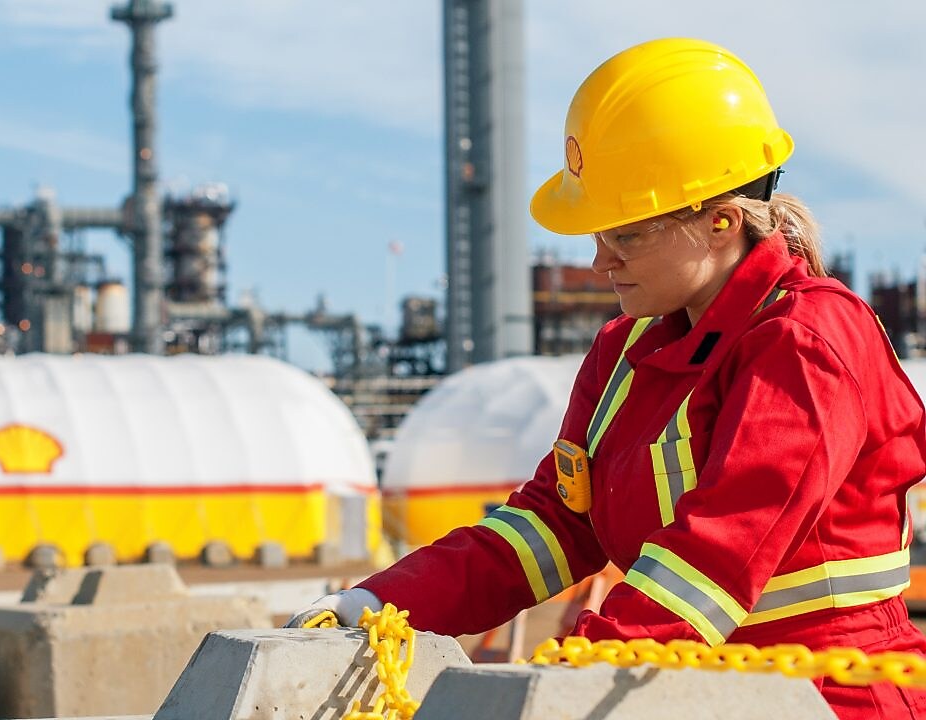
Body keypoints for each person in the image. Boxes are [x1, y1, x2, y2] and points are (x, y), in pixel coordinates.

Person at [288, 37, 926, 719]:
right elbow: (554, 526)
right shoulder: (626, 351)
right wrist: (380, 602)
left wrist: (580, 666)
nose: (600, 262)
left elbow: (719, 553)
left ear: (722, 222)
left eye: (626, 235)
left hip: (827, 697)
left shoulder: (807, 343)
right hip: (675, 685)